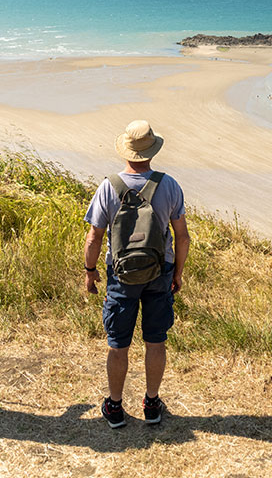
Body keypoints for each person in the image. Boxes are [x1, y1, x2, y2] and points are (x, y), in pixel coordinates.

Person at [84, 120, 190, 428]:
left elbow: (94, 237)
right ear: (151, 152)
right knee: (155, 340)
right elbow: (182, 236)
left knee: (118, 342)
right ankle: (152, 403)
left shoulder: (109, 187)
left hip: (120, 276)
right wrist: (178, 273)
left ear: (126, 151)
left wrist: (90, 273)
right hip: (160, 271)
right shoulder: (168, 185)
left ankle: (115, 407)